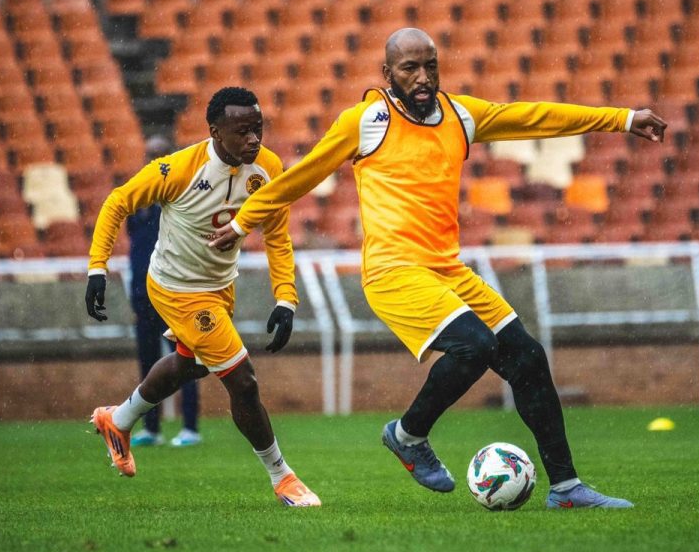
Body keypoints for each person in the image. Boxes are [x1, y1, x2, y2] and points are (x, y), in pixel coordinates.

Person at [209, 28, 667, 510]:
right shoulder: (366, 120)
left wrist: (623, 119)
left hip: (448, 271)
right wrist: (243, 222)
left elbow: (534, 116)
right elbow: (301, 176)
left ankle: (567, 489)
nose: (423, 77)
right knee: (474, 345)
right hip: (392, 272)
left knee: (528, 359)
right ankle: (408, 436)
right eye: (410, 68)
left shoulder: (460, 114)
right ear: (387, 75)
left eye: (431, 65)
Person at [85, 86, 320, 507]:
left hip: (218, 286)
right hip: (176, 288)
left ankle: (117, 420)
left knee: (189, 367)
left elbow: (277, 237)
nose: (254, 139)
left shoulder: (267, 168)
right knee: (242, 381)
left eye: (258, 129)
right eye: (242, 131)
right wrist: (97, 268)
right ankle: (283, 478)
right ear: (215, 132)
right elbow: (117, 202)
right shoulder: (177, 170)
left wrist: (286, 299)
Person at [126, 134, 202, 448]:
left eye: (158, 155)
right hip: (143, 295)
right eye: (149, 155)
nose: (152, 160)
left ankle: (190, 428)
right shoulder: (140, 200)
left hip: (173, 293)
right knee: (147, 363)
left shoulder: (178, 197)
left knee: (183, 361)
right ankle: (152, 428)